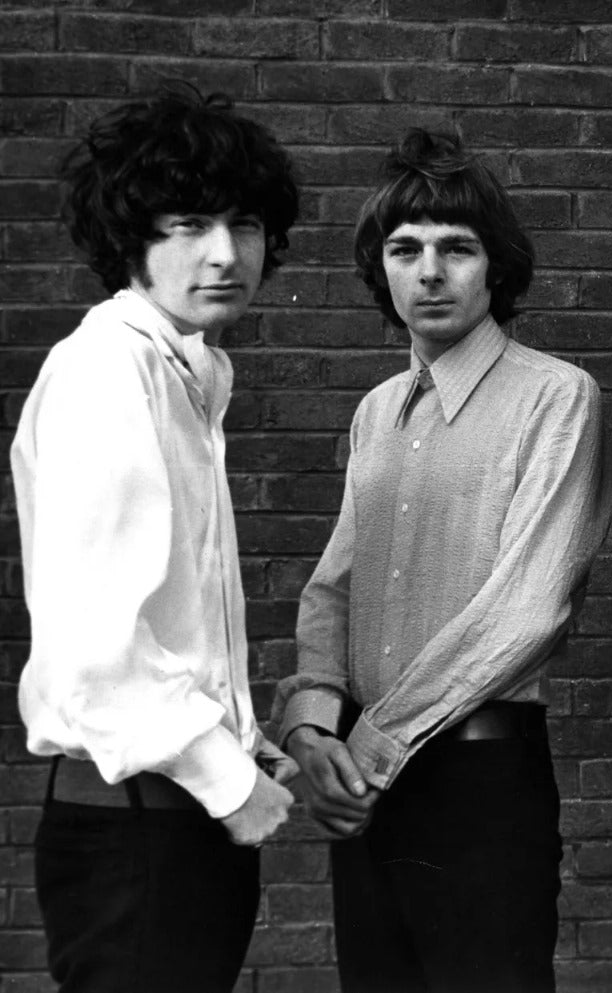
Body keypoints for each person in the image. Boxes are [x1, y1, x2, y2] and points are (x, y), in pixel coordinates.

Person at [274, 128, 612, 993]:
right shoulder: (377, 409)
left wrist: (372, 746)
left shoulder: (557, 397)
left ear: (495, 265)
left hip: (479, 784)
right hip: (365, 786)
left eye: (456, 248)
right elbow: (332, 587)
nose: (429, 271)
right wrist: (313, 726)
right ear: (380, 268)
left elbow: (528, 608)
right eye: (405, 248)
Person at [11, 86, 300, 993]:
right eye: (187, 224)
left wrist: (241, 741)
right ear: (130, 239)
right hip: (136, 830)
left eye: (244, 225)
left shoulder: (185, 372)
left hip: (169, 827)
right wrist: (230, 778)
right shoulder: (108, 371)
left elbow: (170, 613)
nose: (223, 254)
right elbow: (100, 644)